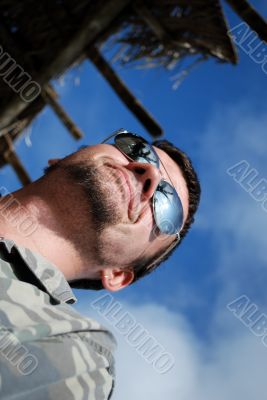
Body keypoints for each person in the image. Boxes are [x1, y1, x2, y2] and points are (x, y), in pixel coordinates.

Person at [0, 129, 200, 399]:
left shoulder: (77, 354)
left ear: (118, 275)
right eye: (138, 149)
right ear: (59, 159)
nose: (149, 173)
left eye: (167, 206)